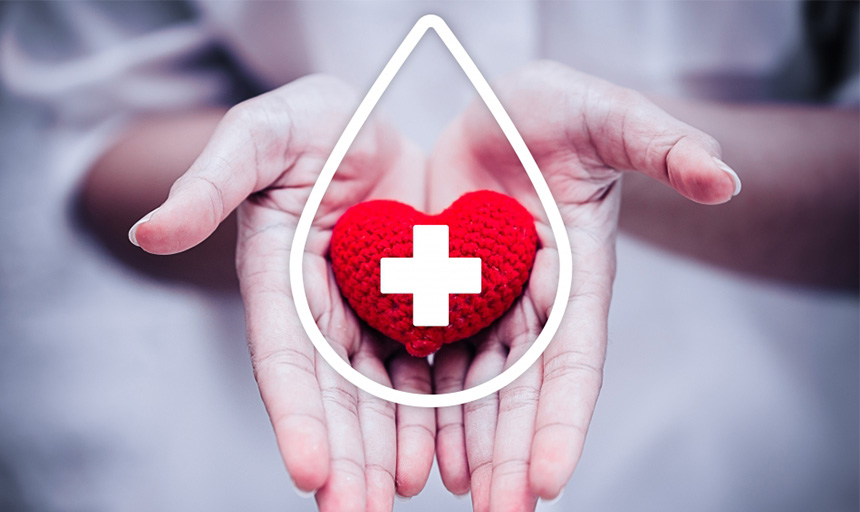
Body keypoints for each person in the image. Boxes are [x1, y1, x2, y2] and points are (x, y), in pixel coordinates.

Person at [0, 2, 856, 511]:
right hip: (293, 396)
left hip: (743, 416)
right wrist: (263, 190)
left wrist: (623, 164)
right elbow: (103, 133)